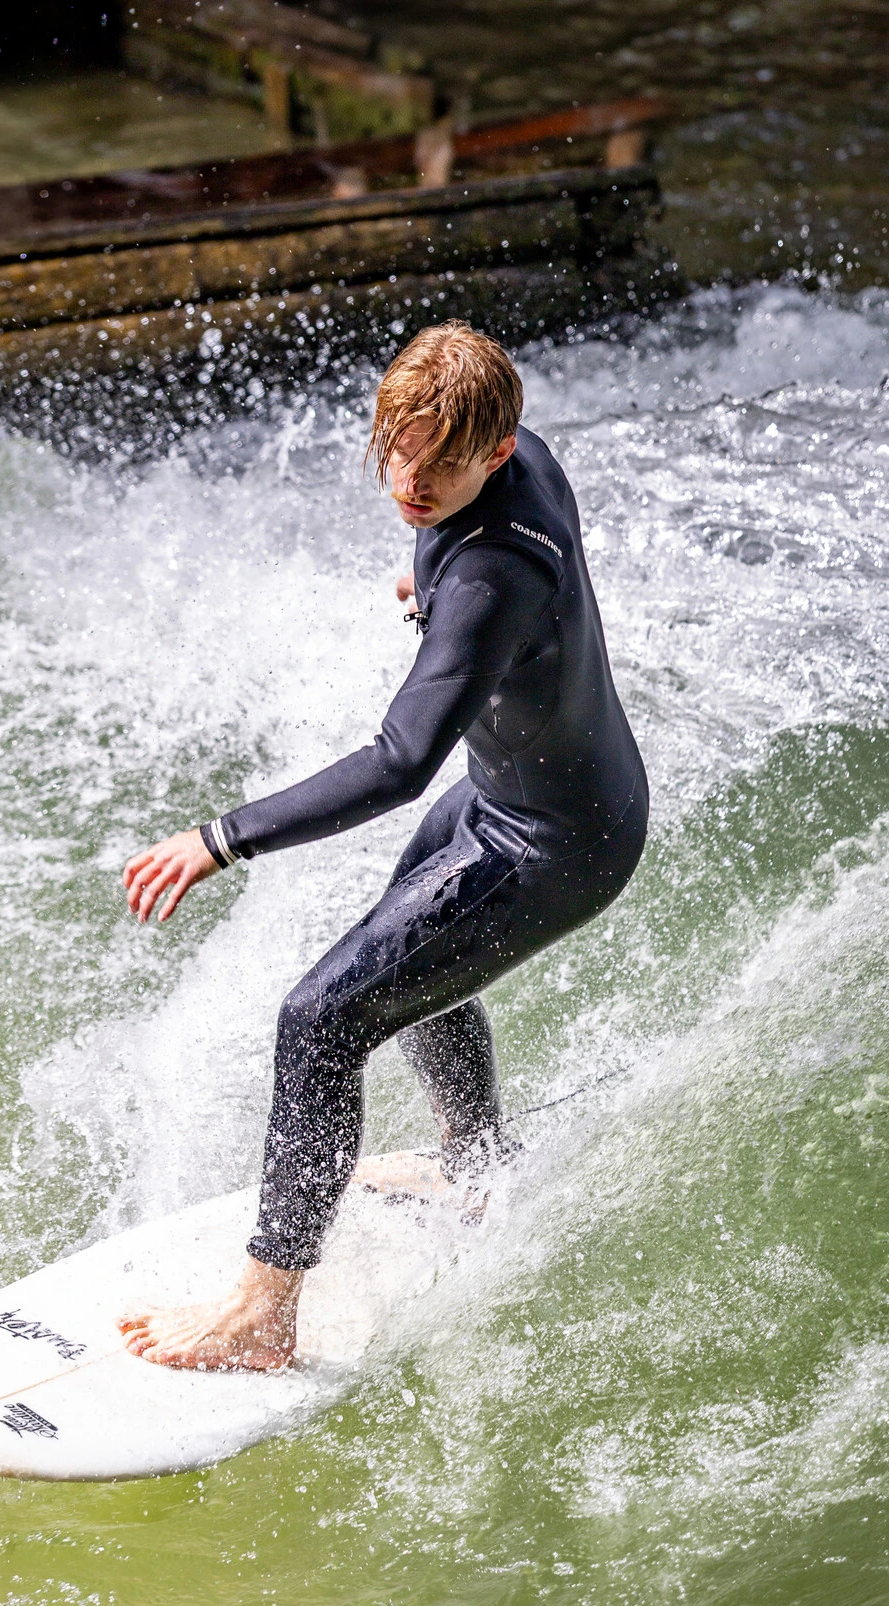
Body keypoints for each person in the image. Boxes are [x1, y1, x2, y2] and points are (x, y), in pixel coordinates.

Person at [117, 321, 647, 1371]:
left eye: (438, 463)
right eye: (393, 451)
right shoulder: (493, 474)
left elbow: (401, 759)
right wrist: (444, 603)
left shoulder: (495, 567)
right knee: (405, 958)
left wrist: (220, 839)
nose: (408, 480)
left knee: (319, 1018)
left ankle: (262, 1314)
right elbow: (507, 586)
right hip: (523, 795)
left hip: (554, 840)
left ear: (498, 451)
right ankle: (475, 1161)